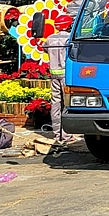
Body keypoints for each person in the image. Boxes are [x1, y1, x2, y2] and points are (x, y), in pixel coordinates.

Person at [43, 14, 77, 143]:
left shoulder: (50, 38)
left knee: (55, 104)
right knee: (67, 104)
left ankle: (57, 134)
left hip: (53, 75)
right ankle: (67, 135)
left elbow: (45, 49)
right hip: (65, 75)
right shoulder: (69, 38)